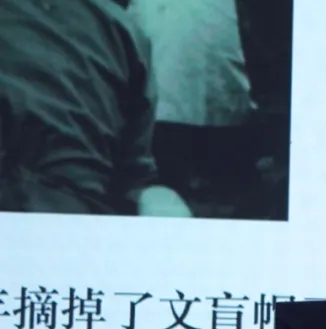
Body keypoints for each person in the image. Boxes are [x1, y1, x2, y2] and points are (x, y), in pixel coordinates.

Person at [0, 0, 189, 216]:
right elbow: (134, 178)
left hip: (58, 207)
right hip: (80, 210)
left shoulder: (123, 32)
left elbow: (134, 176)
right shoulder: (124, 31)